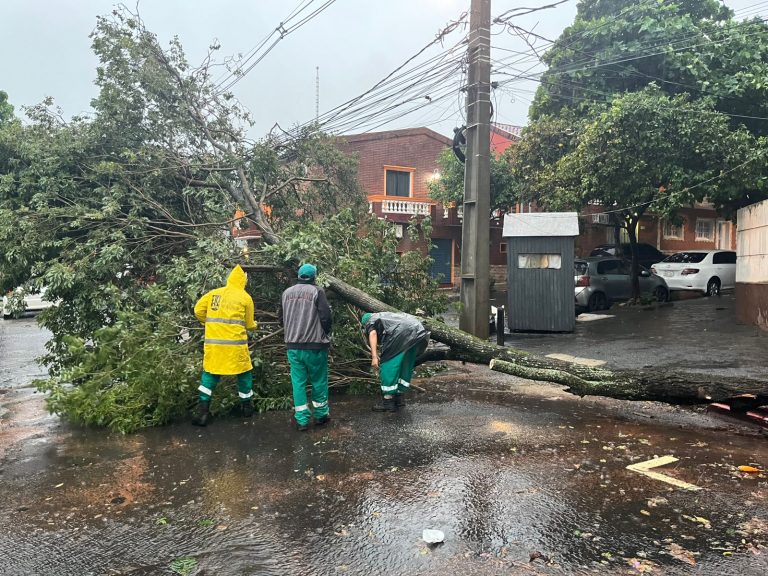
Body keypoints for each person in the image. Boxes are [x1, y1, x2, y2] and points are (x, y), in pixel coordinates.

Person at [192, 264, 257, 426]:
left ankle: (203, 412)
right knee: (244, 375)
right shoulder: (245, 297)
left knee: (210, 375)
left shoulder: (214, 294)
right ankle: (247, 409)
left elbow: (198, 310)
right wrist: (255, 324)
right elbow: (249, 324)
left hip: (215, 347)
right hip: (236, 348)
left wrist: (206, 322)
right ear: (243, 281)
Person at [279, 263, 332, 431]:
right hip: (315, 345)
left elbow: (280, 318)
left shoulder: (286, 293)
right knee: (318, 380)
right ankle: (321, 415)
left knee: (298, 382)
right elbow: (326, 316)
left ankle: (302, 421)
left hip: (293, 346)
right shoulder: (318, 291)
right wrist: (326, 333)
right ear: (314, 276)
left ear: (299, 275)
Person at [361, 311, 430, 412]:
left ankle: (388, 401)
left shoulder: (370, 320)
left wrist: (374, 357)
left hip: (401, 333)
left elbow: (373, 333)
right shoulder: (386, 316)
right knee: (404, 364)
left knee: (388, 365)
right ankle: (399, 398)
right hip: (418, 330)